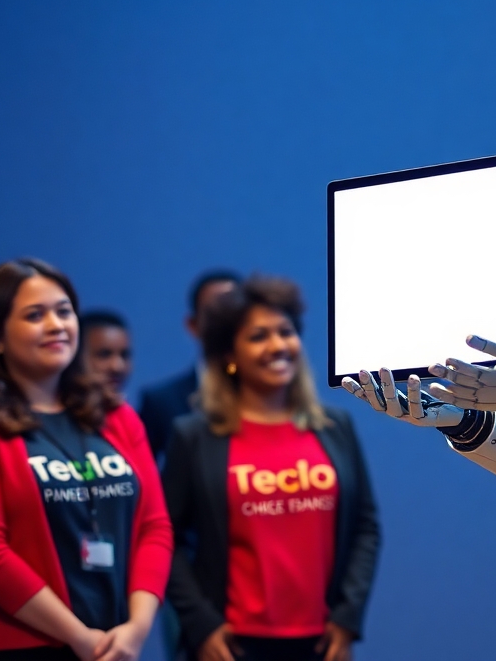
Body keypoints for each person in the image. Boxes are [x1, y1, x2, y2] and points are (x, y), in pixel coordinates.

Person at [0, 258, 172, 660]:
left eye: (64, 312)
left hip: (117, 644)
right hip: (20, 646)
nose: (57, 325)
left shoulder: (116, 416)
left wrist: (137, 628)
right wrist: (79, 637)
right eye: (34, 315)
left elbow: (154, 526)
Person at [163, 276, 379, 661]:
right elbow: (165, 538)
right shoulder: (194, 436)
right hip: (233, 645)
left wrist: (348, 619)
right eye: (258, 336)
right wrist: (201, 624)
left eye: (286, 332)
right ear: (229, 355)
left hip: (322, 642)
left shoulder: (334, 428)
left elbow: (365, 525)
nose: (278, 346)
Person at [139, 270, 240, 459]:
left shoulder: (272, 397)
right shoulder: (161, 402)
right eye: (214, 314)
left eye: (234, 313)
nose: (226, 325)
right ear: (192, 325)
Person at [79, 310, 133, 400]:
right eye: (104, 355)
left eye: (124, 355)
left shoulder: (126, 413)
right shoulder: (55, 410)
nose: (117, 367)